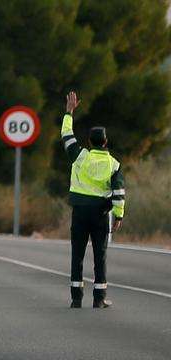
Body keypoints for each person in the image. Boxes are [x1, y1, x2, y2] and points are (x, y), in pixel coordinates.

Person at [62, 91, 124, 308]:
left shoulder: (80, 156)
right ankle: (99, 299)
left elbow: (66, 134)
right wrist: (118, 216)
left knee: (77, 254)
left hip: (79, 212)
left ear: (89, 141)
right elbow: (118, 194)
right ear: (105, 141)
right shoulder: (114, 164)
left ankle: (76, 299)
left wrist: (69, 112)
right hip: (101, 214)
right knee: (100, 256)